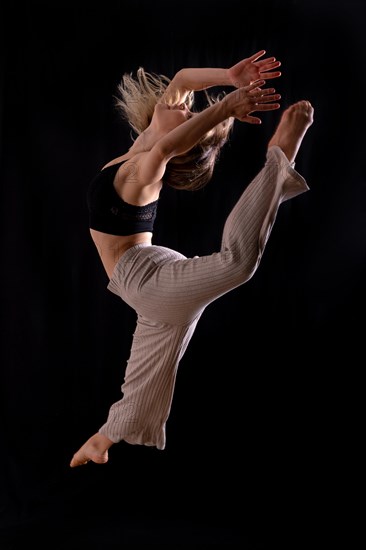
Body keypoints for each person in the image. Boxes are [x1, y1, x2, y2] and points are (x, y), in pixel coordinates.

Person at [70, 50, 314, 467]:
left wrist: (226, 107)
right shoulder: (146, 141)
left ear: (182, 147)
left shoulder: (143, 173)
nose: (182, 107)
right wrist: (229, 77)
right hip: (150, 276)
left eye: (190, 119)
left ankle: (280, 160)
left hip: (148, 280)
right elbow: (183, 79)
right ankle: (104, 438)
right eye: (184, 110)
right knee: (149, 370)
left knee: (237, 262)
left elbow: (166, 147)